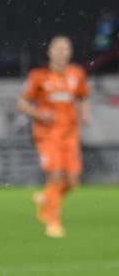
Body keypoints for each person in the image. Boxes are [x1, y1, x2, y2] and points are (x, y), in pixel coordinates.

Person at [18, 35, 90, 238]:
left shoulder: (77, 73)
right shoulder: (38, 76)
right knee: (56, 176)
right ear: (49, 51)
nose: (61, 52)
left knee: (73, 183)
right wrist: (39, 114)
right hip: (47, 135)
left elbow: (83, 96)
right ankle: (53, 222)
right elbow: (22, 103)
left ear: (70, 52)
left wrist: (84, 114)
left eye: (65, 48)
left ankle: (45, 199)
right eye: (58, 48)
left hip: (70, 134)